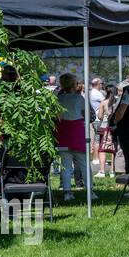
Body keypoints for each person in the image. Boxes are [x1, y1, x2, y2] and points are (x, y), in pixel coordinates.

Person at [54, 74, 96, 203]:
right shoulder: (79, 98)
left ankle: (67, 192)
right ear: (74, 85)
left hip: (62, 131)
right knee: (84, 163)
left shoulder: (58, 99)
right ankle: (90, 191)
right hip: (77, 131)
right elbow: (87, 114)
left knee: (65, 165)